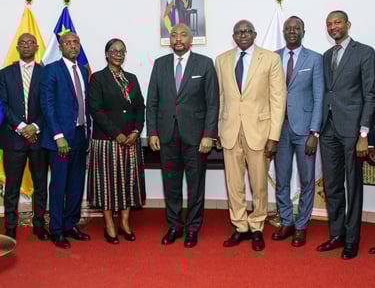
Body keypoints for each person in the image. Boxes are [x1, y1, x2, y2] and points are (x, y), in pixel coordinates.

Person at [146, 23, 218, 248]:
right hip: (166, 136)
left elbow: (213, 103)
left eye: (183, 34)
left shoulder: (205, 64)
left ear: (190, 39)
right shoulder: (160, 65)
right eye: (174, 35)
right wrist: (153, 132)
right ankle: (175, 225)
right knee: (171, 185)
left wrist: (208, 134)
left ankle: (193, 228)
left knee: (195, 185)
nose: (178, 38)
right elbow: (153, 102)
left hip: (196, 138)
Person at [216, 19, 285, 251]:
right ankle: (240, 226)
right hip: (230, 131)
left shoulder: (271, 59)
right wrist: (218, 129)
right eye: (238, 32)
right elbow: (221, 98)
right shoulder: (222, 60)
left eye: (247, 31)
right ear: (233, 36)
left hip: (260, 132)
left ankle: (256, 227)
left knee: (258, 184)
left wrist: (273, 136)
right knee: (233, 184)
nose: (242, 35)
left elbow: (278, 100)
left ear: (254, 34)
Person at [316, 10, 375, 260]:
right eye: (329, 24)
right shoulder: (327, 55)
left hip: (352, 130)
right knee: (332, 186)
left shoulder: (364, 52)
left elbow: (370, 94)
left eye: (338, 22)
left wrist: (364, 134)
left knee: (353, 186)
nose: (333, 27)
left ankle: (352, 240)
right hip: (328, 129)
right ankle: (337, 234)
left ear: (348, 24)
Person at [87, 38, 146, 244]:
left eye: (122, 50)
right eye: (114, 50)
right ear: (106, 54)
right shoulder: (97, 79)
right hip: (107, 141)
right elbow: (96, 110)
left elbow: (140, 107)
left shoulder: (132, 78)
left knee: (128, 183)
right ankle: (109, 225)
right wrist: (117, 134)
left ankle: (125, 222)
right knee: (108, 184)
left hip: (131, 140)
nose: (118, 54)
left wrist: (137, 131)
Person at [272, 16, 324, 247]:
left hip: (304, 130)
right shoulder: (272, 58)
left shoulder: (315, 58)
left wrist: (314, 131)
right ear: (283, 31)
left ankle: (301, 225)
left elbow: (319, 96)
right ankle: (286, 220)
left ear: (304, 31)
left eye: (297, 28)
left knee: (306, 180)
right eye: (288, 28)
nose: (292, 31)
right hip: (278, 129)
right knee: (281, 178)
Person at [40, 32, 91, 249]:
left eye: (76, 42)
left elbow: (85, 104)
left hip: (80, 135)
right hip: (60, 139)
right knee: (59, 185)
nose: (72, 46)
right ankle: (57, 230)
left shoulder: (83, 70)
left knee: (76, 184)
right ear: (60, 47)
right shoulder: (52, 70)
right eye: (67, 43)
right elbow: (47, 105)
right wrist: (58, 136)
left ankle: (71, 224)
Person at [0, 33, 49, 241]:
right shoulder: (4, 74)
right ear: (18, 47)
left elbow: (49, 104)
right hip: (13, 138)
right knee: (11, 186)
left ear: (36, 47)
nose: (26, 46)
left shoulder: (46, 73)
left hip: (39, 138)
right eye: (22, 43)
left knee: (40, 185)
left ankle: (39, 224)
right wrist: (21, 126)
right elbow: (3, 104)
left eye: (30, 42)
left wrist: (35, 126)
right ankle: (10, 226)